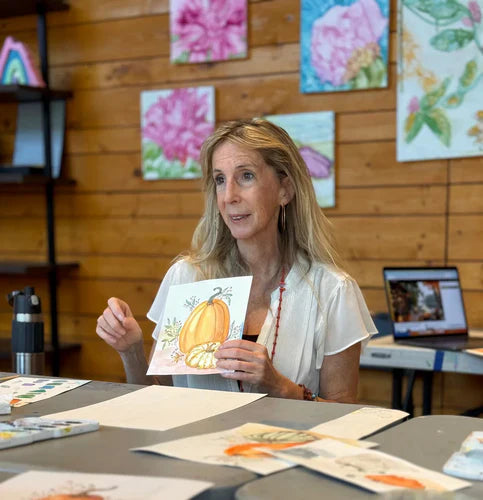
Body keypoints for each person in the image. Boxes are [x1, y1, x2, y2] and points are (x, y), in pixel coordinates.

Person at [96, 118, 377, 402]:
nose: (229, 196)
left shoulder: (333, 291)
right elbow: (155, 400)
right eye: (220, 179)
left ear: (285, 189)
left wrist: (280, 387)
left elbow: (344, 414)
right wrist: (131, 351)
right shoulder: (187, 277)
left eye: (246, 176)